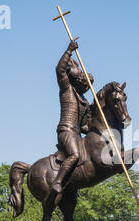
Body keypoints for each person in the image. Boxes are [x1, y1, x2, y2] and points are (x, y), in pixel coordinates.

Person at [51, 40, 94, 193]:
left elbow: (83, 127)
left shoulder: (84, 101)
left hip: (77, 134)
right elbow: (59, 69)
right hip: (66, 130)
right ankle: (58, 181)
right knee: (75, 155)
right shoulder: (66, 88)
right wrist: (69, 50)